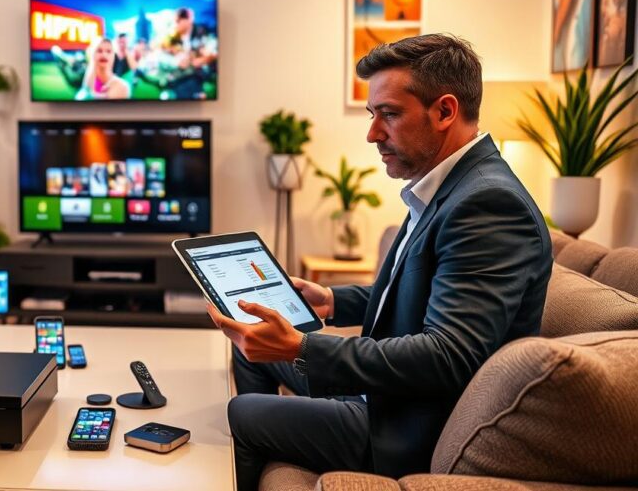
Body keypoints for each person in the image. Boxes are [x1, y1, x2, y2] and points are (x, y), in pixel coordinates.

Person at [216, 34, 552, 489]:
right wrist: (332, 299)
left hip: (406, 425)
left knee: (243, 410)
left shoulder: (488, 203)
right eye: (373, 115)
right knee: (252, 347)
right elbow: (415, 292)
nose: (373, 133)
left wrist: (301, 347)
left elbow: (448, 355)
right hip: (386, 395)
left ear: (445, 111)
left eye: (389, 114)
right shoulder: (448, 185)